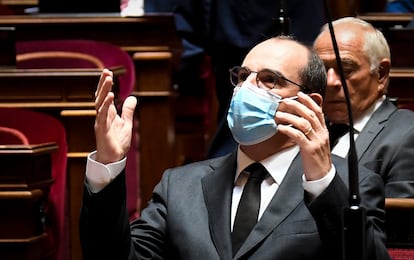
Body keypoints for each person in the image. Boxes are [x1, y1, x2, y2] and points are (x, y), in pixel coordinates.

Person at [80, 37, 390, 259]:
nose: (246, 89)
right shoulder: (180, 186)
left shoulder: (350, 186)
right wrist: (108, 167)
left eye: (269, 80)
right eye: (242, 76)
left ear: (310, 103)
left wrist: (322, 180)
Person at [173, 0, 327, 158]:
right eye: (243, 77)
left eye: (268, 79)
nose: (249, 84)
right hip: (232, 38)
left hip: (294, 29)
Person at [313, 17, 414, 198]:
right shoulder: (309, 130)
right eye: (321, 70)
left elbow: (399, 220)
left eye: (345, 69)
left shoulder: (407, 133)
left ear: (381, 74)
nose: (330, 82)